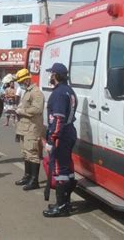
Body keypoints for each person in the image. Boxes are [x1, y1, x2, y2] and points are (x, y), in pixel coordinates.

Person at [43, 63, 78, 218]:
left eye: (51, 74)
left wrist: (52, 139)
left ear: (56, 75)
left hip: (61, 135)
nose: (50, 76)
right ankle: (66, 203)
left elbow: (58, 119)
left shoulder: (58, 93)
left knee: (59, 170)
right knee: (67, 170)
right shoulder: (69, 91)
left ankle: (61, 206)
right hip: (69, 132)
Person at [14, 68, 45, 191]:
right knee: (25, 153)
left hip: (32, 128)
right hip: (23, 128)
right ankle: (27, 176)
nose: (21, 83)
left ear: (27, 79)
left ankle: (34, 180)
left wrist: (22, 111)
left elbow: (37, 109)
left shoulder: (36, 92)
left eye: (22, 81)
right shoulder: (26, 92)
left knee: (32, 154)